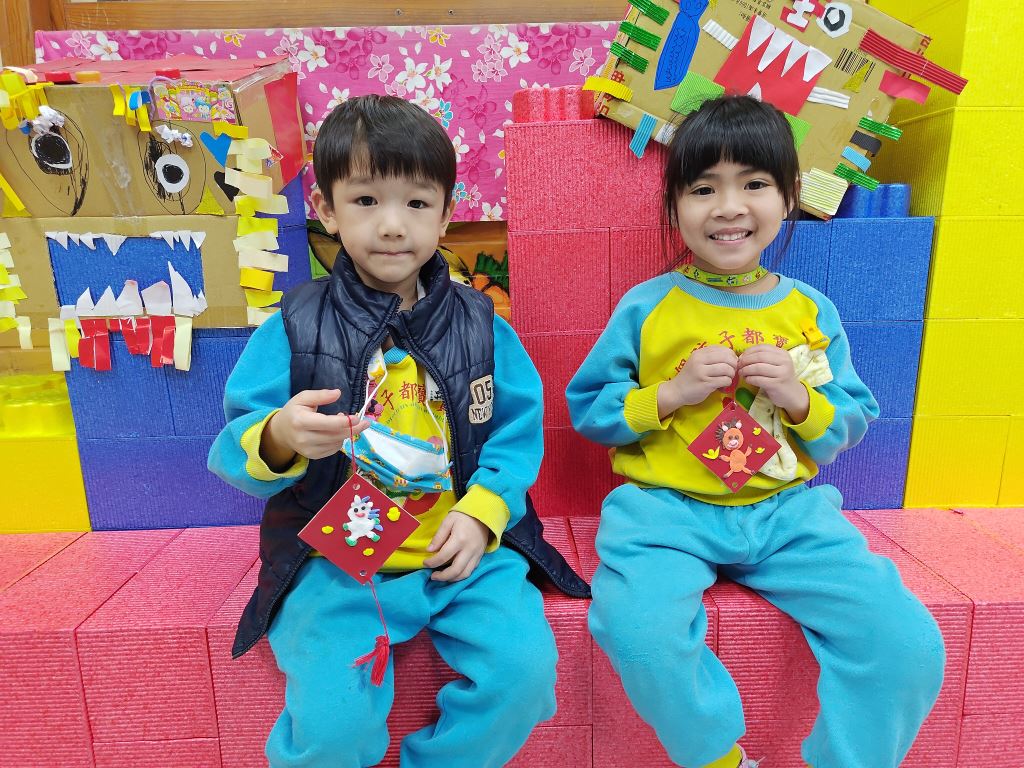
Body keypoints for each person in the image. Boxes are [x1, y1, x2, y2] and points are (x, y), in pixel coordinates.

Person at [565, 95, 945, 768]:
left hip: (787, 514)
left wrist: (799, 399)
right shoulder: (648, 307)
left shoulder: (809, 310)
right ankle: (717, 758)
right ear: (674, 205)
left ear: (790, 195)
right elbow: (590, 409)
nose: (728, 207)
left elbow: (853, 418)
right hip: (663, 513)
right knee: (636, 629)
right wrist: (670, 395)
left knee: (906, 642)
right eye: (703, 188)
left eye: (754, 184)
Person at [209, 94, 581, 768]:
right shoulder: (294, 326)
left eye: (416, 202)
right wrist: (280, 435)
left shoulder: (483, 326)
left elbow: (517, 434)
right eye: (365, 200)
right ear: (325, 209)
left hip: (463, 559)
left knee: (525, 678)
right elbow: (234, 445)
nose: (391, 225)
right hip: (336, 567)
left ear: (446, 211)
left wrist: (483, 514)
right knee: (333, 723)